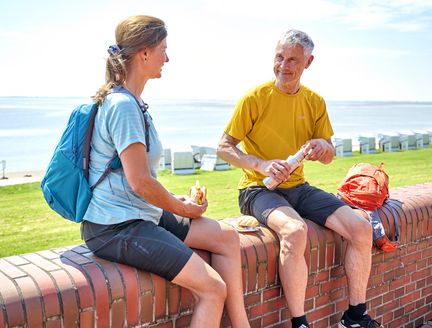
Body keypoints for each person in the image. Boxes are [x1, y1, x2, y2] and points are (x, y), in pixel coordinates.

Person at [81, 15, 250, 328]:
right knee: (213, 288)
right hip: (116, 227)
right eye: (163, 49)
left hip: (140, 215)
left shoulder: (133, 102)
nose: (167, 57)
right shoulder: (123, 106)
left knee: (227, 238)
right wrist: (181, 206)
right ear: (144, 53)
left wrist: (175, 199)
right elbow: (140, 182)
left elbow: (139, 180)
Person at [217, 29, 382, 328]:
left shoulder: (315, 102)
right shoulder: (255, 98)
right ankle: (300, 323)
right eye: (279, 57)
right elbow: (224, 147)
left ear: (308, 62)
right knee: (294, 232)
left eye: (293, 59)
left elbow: (330, 153)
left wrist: (323, 148)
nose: (284, 65)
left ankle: (355, 317)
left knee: (360, 227)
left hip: (298, 187)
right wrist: (262, 164)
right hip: (257, 189)